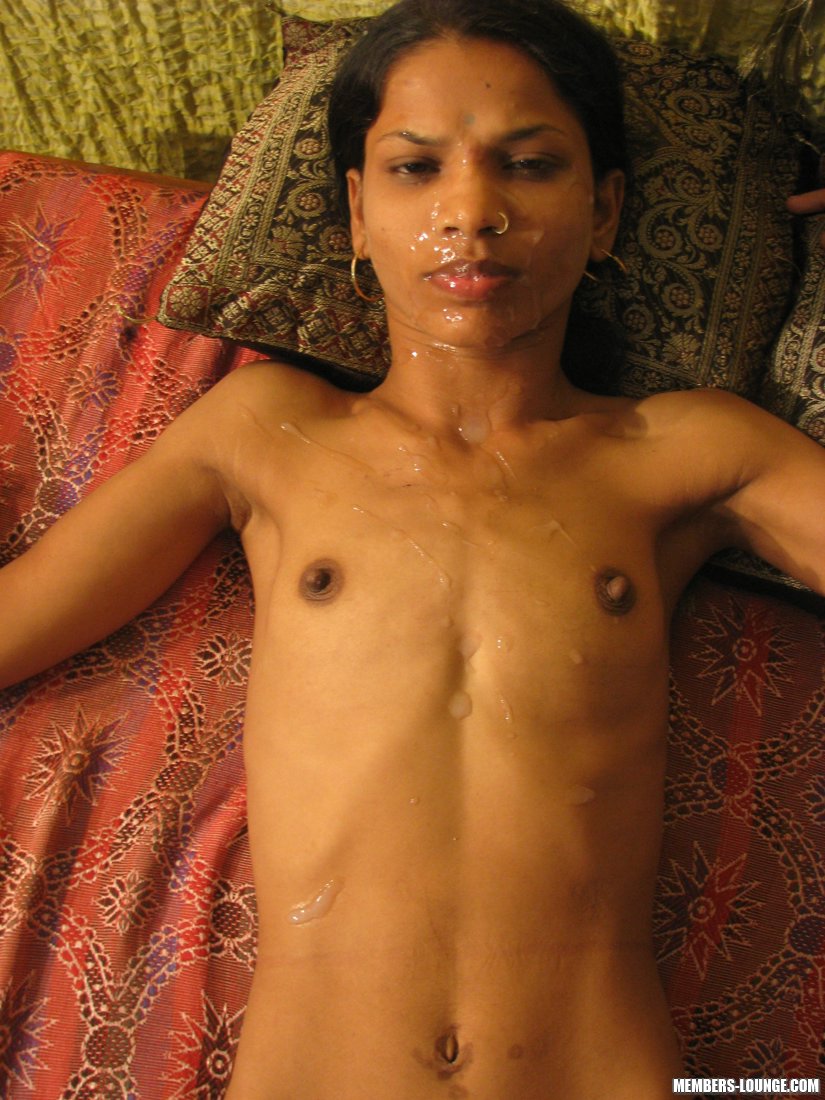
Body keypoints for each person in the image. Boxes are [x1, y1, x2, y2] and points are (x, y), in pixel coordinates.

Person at [1, 1, 824, 1096]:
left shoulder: (683, 452)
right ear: (355, 211)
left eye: (529, 165)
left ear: (606, 210)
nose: (471, 211)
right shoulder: (267, 435)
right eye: (415, 168)